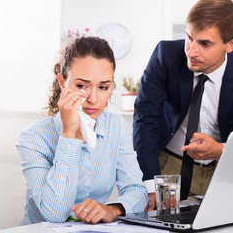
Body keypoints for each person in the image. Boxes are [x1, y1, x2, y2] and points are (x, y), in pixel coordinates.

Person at [133, 0, 233, 211]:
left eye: (205, 43)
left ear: (231, 43)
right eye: (189, 38)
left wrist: (221, 150)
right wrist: (149, 184)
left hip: (224, 167)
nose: (191, 51)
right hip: (170, 166)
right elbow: (145, 120)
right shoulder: (165, 55)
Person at [16, 37, 147, 225]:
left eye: (103, 87)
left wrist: (112, 209)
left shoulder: (116, 126)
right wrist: (69, 135)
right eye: (82, 86)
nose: (93, 99)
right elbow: (54, 214)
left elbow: (137, 190)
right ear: (62, 82)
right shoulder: (33, 138)